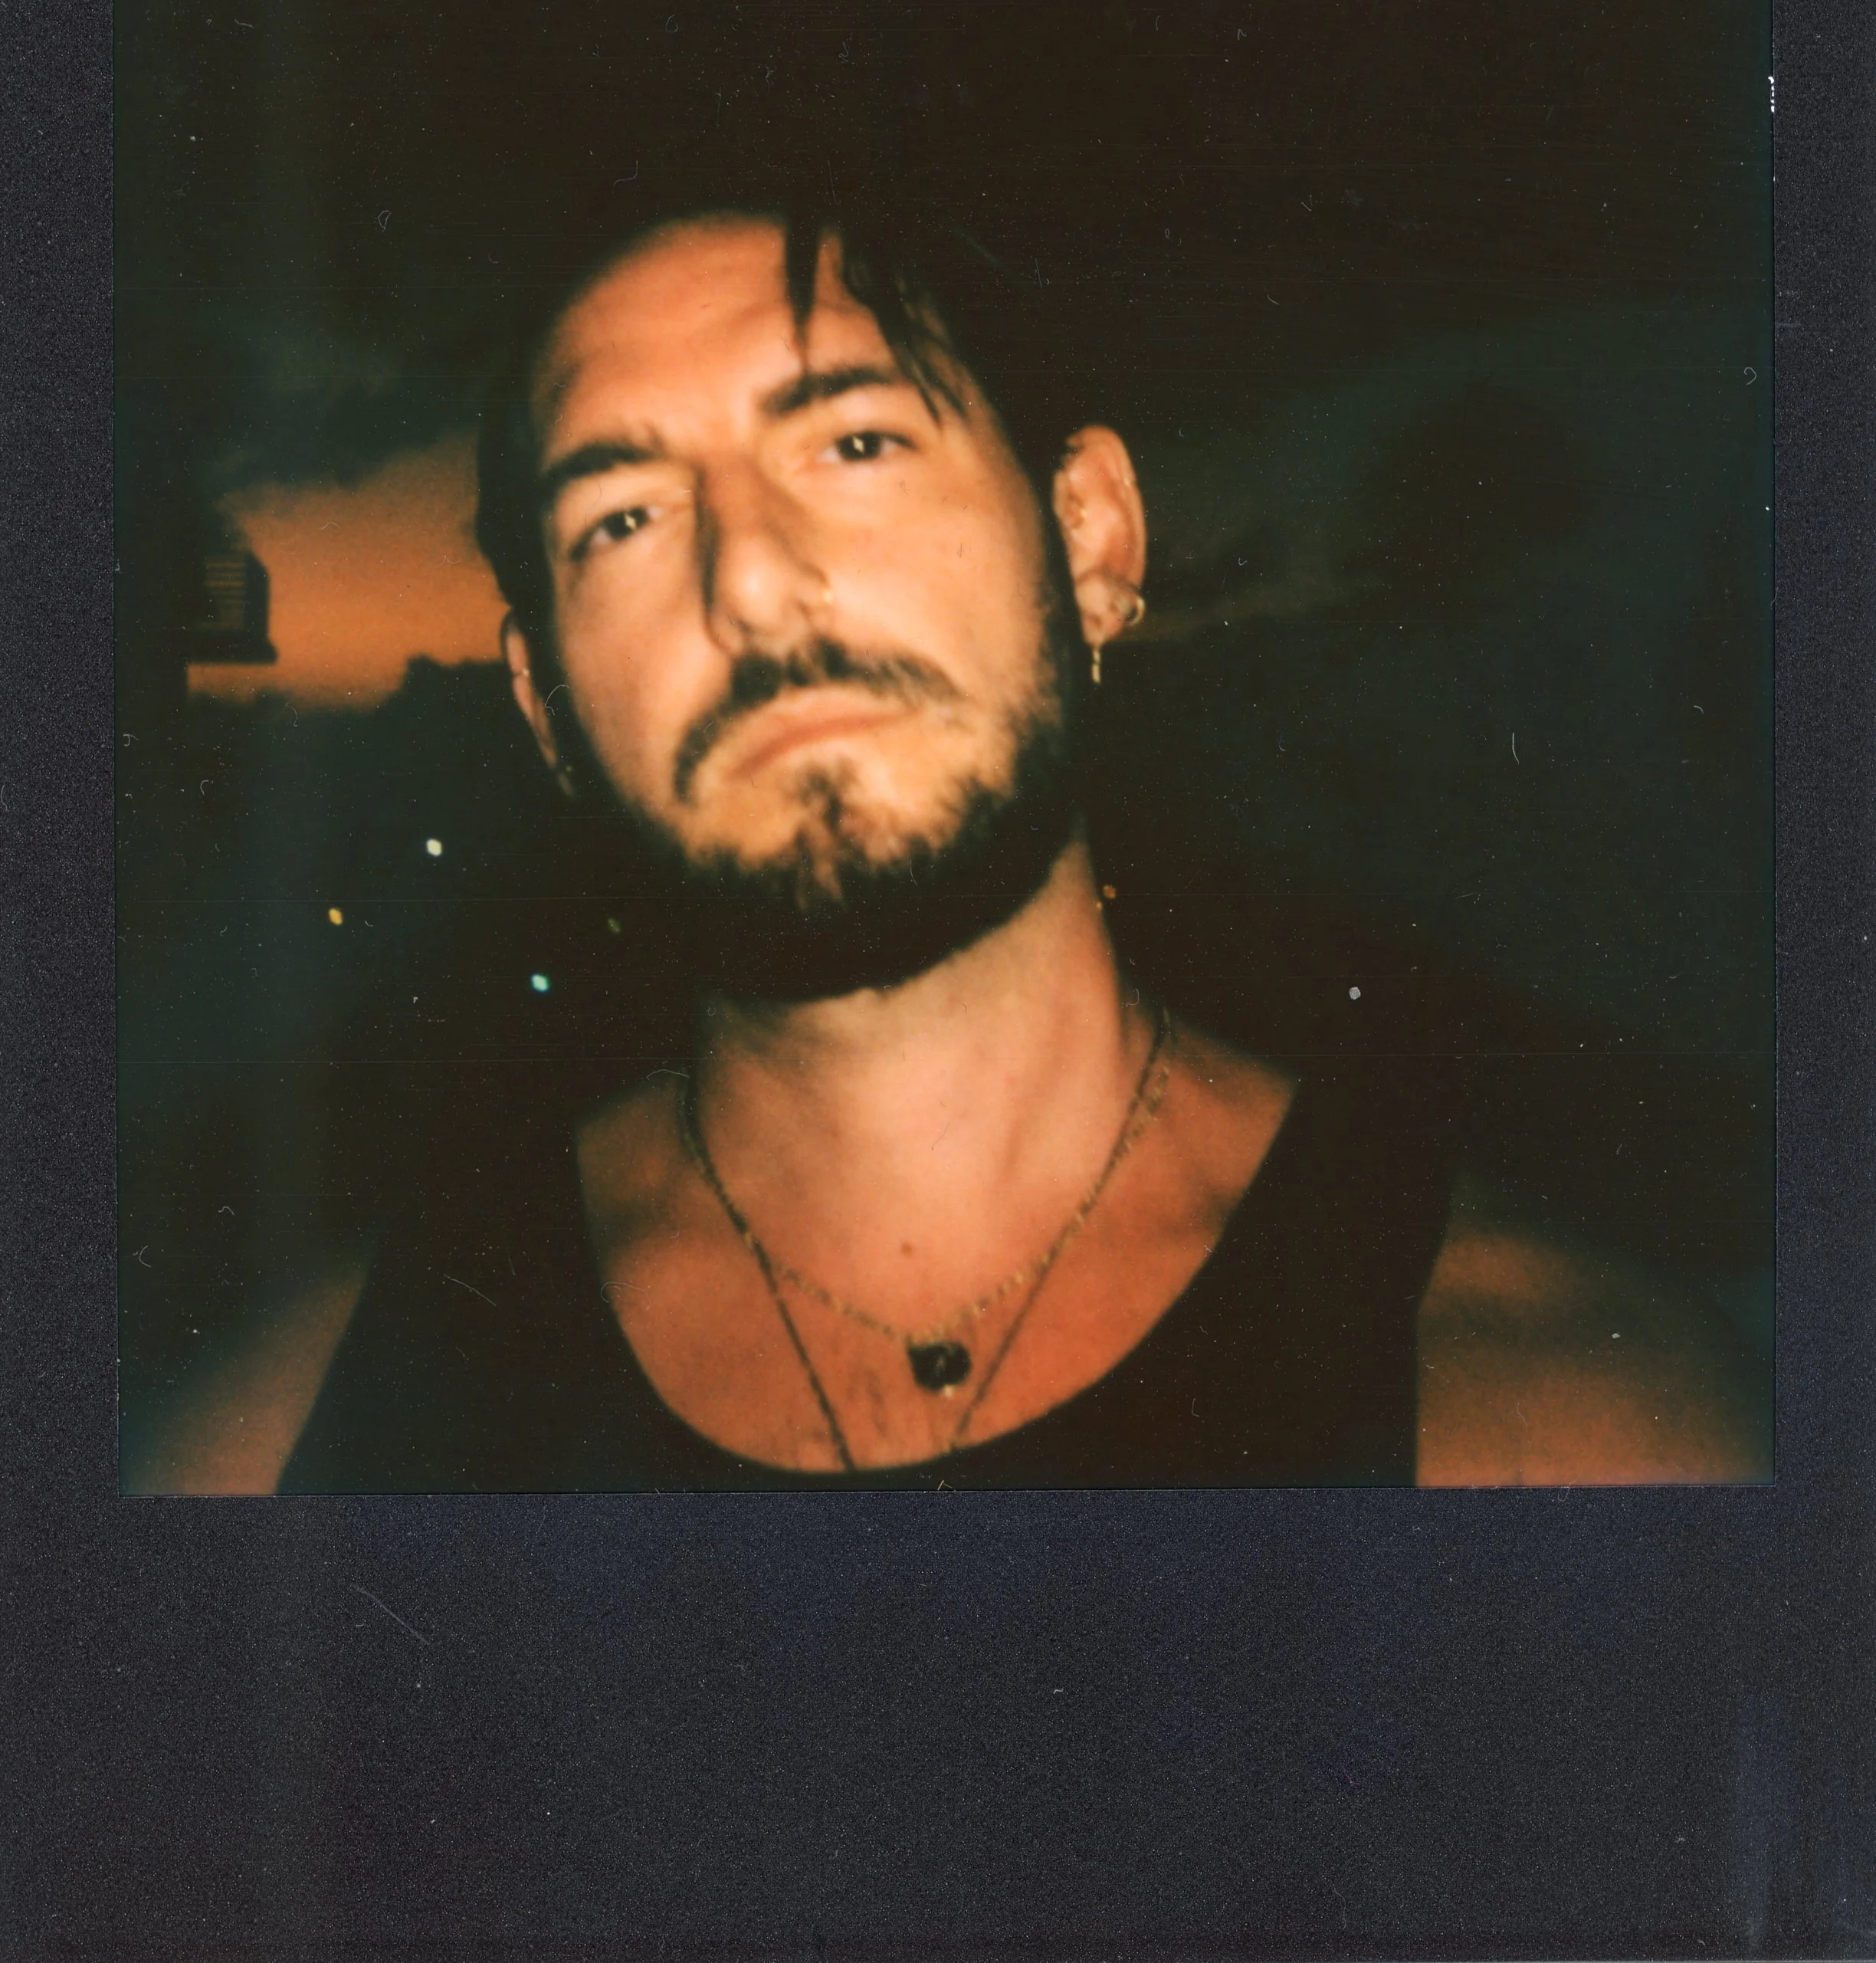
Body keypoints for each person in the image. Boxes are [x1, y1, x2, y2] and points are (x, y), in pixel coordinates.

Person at [131, 192, 1770, 1491]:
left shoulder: (1583, 1426)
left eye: (855, 442)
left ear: (1091, 542)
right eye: (619, 519)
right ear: (546, 708)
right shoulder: (274, 1455)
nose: (748, 579)